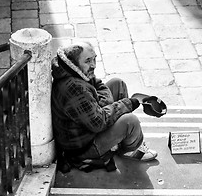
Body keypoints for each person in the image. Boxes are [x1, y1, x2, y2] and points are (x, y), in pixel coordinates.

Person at [51, 41, 157, 171]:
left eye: (94, 59)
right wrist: (129, 103)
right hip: (83, 147)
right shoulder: (75, 89)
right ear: (74, 62)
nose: (93, 65)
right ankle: (130, 149)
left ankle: (120, 139)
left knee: (118, 84)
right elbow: (99, 122)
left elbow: (98, 84)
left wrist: (104, 104)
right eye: (88, 61)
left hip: (89, 125)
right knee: (130, 121)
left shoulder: (75, 70)